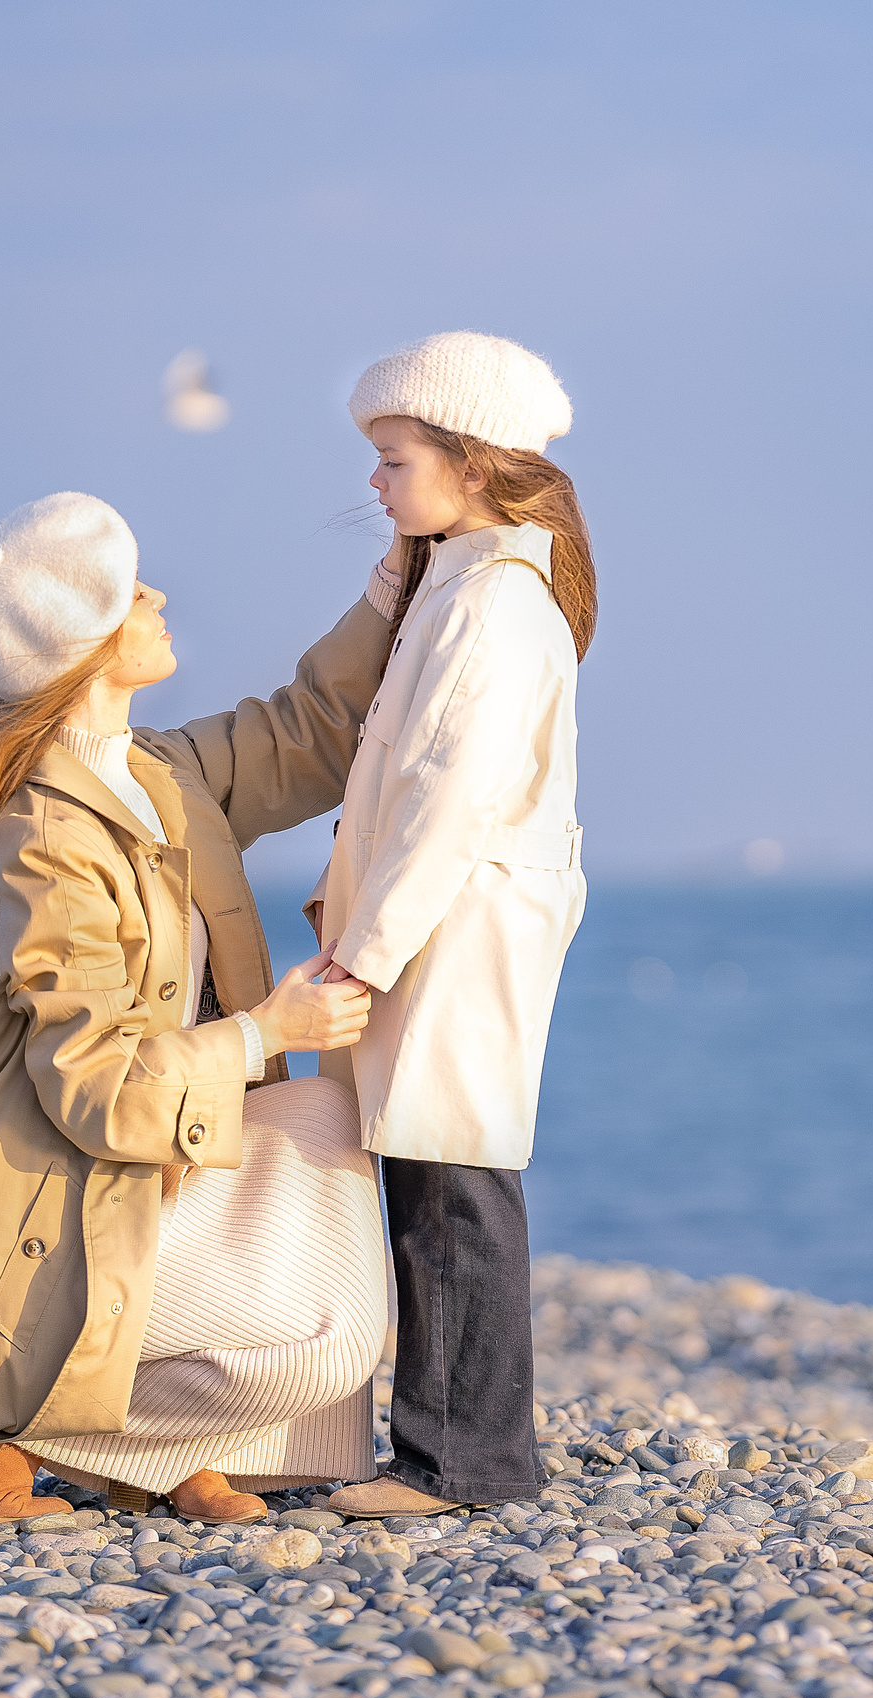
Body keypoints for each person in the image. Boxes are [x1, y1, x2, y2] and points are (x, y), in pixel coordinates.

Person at [0, 492, 396, 1526]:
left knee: (323, 1148)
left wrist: (401, 573)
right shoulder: (45, 830)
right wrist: (263, 1032)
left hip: (152, 1161)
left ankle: (150, 1445)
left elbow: (308, 728)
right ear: (84, 647)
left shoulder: (161, 773)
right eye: (125, 590)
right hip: (58, 1190)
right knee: (322, 1340)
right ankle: (15, 1418)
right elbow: (90, 1079)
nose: (154, 595)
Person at [313, 332, 594, 1517]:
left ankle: (464, 1464)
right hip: (448, 918)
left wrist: (360, 957)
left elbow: (449, 802)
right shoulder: (463, 588)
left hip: (459, 924)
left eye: (393, 458)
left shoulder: (494, 605)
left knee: (455, 1183)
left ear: (470, 462)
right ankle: (446, 1452)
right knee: (435, 1172)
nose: (373, 483)